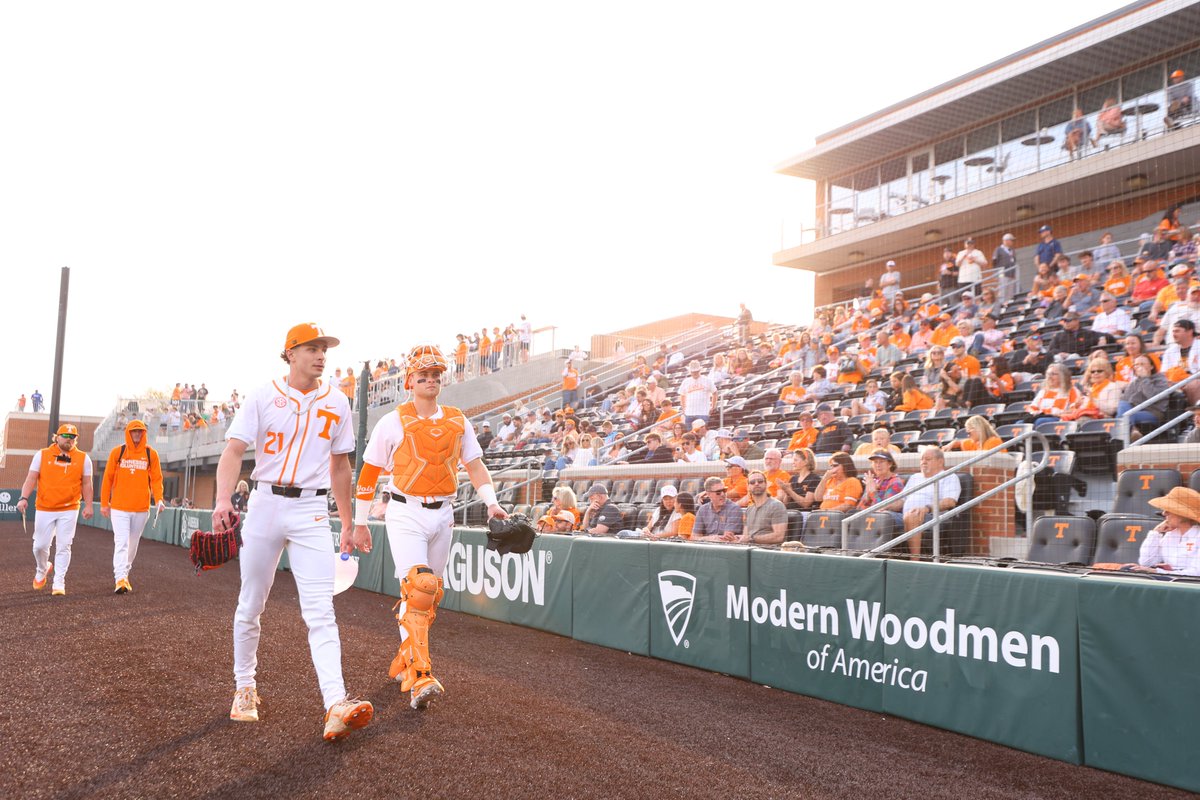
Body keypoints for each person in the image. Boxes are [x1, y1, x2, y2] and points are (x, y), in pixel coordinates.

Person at [212, 323, 373, 739]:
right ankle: (244, 687)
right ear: (290, 353)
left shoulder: (338, 401)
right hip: (265, 503)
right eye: (312, 348)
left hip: (311, 510)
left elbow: (341, 466)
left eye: (324, 349)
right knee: (251, 603)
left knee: (321, 610)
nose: (321, 355)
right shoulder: (263, 395)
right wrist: (223, 500)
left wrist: (348, 522)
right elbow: (233, 451)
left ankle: (335, 703)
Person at [350, 343, 509, 714]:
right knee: (418, 587)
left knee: (430, 594)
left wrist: (491, 502)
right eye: (423, 374)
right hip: (405, 511)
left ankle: (409, 654)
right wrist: (359, 523)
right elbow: (369, 473)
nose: (430, 379)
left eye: (435, 374)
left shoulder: (458, 420)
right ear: (409, 381)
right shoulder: (392, 421)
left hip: (443, 513)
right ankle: (420, 675)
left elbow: (474, 465)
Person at [16, 423, 94, 596]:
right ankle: (43, 569)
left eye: (72, 437)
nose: (69, 440)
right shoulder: (42, 455)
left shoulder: (83, 458)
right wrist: (23, 498)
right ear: (56, 437)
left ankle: (59, 581)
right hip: (45, 507)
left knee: (64, 545)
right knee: (39, 546)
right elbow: (31, 478)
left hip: (70, 508)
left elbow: (87, 483)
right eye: (65, 436)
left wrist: (88, 505)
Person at [99, 419, 165, 594]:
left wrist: (159, 499)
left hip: (142, 508)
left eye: (140, 431)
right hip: (119, 507)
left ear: (144, 433)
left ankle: (125, 573)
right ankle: (119, 578)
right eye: (134, 431)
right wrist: (105, 503)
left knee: (133, 544)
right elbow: (107, 479)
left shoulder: (151, 454)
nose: (137, 434)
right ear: (128, 432)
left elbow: (157, 480)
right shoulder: (118, 452)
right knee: (121, 542)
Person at [1120, 487, 1200, 575]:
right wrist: (1156, 532)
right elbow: (1147, 562)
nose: (1164, 513)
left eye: (1169, 510)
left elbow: (1196, 573)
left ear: (1184, 515)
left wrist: (1158, 571)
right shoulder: (1170, 535)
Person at [899, 447, 961, 556]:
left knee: (912, 516)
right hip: (904, 514)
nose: (923, 462)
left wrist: (927, 508)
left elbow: (950, 502)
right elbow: (901, 500)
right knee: (880, 516)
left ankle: (914, 560)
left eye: (927, 459)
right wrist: (885, 506)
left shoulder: (949, 476)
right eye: (921, 459)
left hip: (932, 516)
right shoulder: (915, 477)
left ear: (940, 462)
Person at [1118, 354, 1171, 435]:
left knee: (1126, 416)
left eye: (1142, 364)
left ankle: (1122, 435)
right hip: (1134, 410)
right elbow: (1125, 400)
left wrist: (1144, 378)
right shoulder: (1134, 382)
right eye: (1136, 365)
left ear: (1151, 367)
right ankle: (1132, 431)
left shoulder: (1160, 379)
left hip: (1153, 412)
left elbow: (1153, 397)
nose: (1139, 367)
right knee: (1123, 403)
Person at [738, 471, 788, 546]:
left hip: (769, 551)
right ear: (748, 487)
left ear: (766, 484)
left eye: (760, 481)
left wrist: (752, 538)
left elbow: (779, 537)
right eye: (752, 482)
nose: (756, 484)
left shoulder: (777, 506)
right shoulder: (749, 509)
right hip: (749, 550)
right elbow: (745, 536)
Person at [692, 476, 744, 543]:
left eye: (724, 490)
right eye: (718, 492)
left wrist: (703, 538)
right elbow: (694, 537)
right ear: (708, 494)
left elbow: (727, 539)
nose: (722, 494)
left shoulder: (734, 509)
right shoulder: (703, 510)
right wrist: (711, 538)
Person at [1161, 319, 1200, 403]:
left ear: (1190, 332)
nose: (1173, 334)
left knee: (1195, 384)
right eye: (1173, 331)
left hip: (1194, 381)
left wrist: (1183, 382)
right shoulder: (1169, 351)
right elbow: (1164, 373)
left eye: (1177, 331)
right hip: (1174, 383)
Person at [777, 448, 820, 512]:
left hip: (803, 514)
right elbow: (785, 504)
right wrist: (787, 492)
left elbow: (806, 504)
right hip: (789, 512)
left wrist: (790, 491)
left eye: (796, 460)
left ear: (805, 462)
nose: (793, 462)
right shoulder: (793, 478)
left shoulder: (814, 479)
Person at [678, 360, 717, 426]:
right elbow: (682, 395)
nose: (695, 373)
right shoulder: (686, 381)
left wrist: (713, 406)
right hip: (689, 412)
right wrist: (683, 407)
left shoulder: (707, 380)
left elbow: (715, 392)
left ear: (699, 371)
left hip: (703, 412)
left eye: (696, 371)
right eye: (693, 372)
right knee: (690, 435)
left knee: (701, 433)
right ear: (690, 372)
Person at [992, 233, 1018, 301]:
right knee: (1003, 290)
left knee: (1010, 291)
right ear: (1006, 241)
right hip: (1002, 272)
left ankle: (1008, 305)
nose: (1012, 242)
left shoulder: (1012, 250)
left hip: (1011, 274)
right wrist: (996, 273)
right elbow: (994, 261)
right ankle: (1002, 304)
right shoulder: (998, 249)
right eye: (1011, 240)